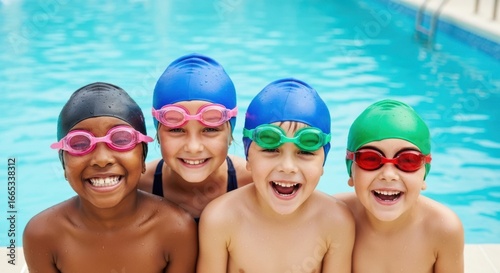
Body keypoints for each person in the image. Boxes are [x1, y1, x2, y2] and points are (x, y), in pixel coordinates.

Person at [23, 82, 198, 273]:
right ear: (63, 163)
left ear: (142, 158)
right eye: (80, 143)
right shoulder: (43, 234)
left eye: (121, 139)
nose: (101, 159)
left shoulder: (176, 229)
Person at [197, 78, 355, 273]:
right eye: (271, 150)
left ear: (323, 163)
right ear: (248, 158)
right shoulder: (220, 219)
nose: (288, 167)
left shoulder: (335, 221)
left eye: (305, 153)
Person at [336, 99, 464, 273]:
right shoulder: (333, 217)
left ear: (424, 173)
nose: (388, 175)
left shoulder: (442, 229)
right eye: (370, 159)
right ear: (351, 171)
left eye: (408, 161)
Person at [138, 53, 252, 221]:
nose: (193, 147)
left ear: (230, 134)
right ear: (157, 134)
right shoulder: (138, 188)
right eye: (176, 130)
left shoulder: (252, 184)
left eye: (210, 129)